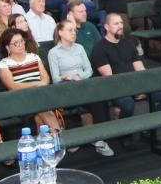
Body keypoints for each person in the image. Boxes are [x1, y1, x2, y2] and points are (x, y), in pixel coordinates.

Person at [90, 13, 161, 127]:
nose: (120, 26)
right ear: (106, 27)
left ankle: (150, 126)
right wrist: (133, 90)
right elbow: (110, 79)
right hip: (115, 88)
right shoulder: (99, 49)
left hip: (134, 84)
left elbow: (140, 68)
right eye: (116, 23)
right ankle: (124, 131)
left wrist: (142, 87)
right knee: (128, 105)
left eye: (121, 23)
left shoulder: (128, 43)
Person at [47, 19, 114, 157]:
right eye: (70, 30)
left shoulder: (79, 48)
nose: (74, 33)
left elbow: (89, 70)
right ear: (60, 32)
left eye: (74, 30)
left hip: (83, 84)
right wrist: (70, 78)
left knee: (99, 100)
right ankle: (75, 139)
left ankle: (99, 138)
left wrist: (79, 76)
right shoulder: (53, 53)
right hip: (66, 88)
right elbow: (55, 78)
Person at [0, 27, 63, 133]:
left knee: (38, 118)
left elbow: (45, 79)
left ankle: (51, 139)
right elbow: (13, 86)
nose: (21, 44)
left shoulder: (34, 57)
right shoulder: (4, 63)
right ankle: (58, 136)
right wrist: (36, 85)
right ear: (7, 47)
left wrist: (36, 86)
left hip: (40, 96)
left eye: (22, 41)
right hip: (21, 99)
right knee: (41, 108)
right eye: (16, 43)